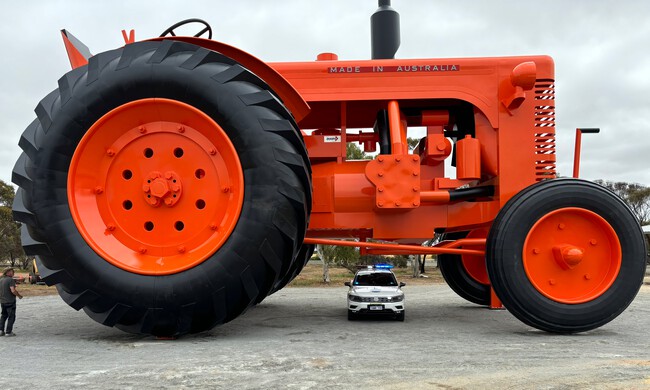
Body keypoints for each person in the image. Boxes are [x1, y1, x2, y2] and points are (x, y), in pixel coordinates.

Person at [1, 267, 23, 337]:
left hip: (3, 301)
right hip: (10, 301)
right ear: (8, 272)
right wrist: (19, 295)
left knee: (3, 316)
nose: (13, 272)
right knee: (11, 316)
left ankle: (1, 331)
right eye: (12, 271)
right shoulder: (10, 280)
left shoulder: (1, 280)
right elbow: (13, 290)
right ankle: (8, 332)